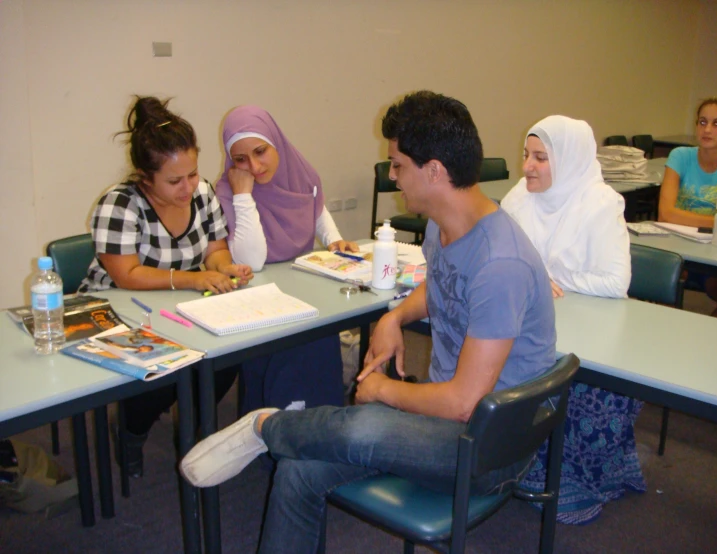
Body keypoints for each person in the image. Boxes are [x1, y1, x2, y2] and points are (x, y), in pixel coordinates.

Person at [180, 91, 556, 553]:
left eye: (398, 165)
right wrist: (396, 315)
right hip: (444, 423)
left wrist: (383, 392)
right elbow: (443, 288)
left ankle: (266, 427)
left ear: (434, 171)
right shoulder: (446, 223)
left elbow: (463, 403)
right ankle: (280, 430)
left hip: (487, 448)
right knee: (299, 471)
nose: (393, 177)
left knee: (363, 423)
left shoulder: (502, 263)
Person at [80, 96, 254, 477]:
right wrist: (193, 279)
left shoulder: (202, 193)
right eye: (175, 180)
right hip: (118, 309)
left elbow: (215, 250)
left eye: (193, 173)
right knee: (159, 365)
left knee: (230, 353)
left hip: (176, 306)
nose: (188, 186)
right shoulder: (119, 203)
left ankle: (190, 430)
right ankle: (131, 429)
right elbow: (127, 274)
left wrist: (227, 269)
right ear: (145, 178)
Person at [502, 115, 642, 524]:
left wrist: (549, 277)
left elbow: (617, 282)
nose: (527, 166)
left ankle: (571, 482)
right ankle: (513, 466)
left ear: (569, 160)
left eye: (541, 158)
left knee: (568, 379)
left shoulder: (600, 203)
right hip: (537, 321)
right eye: (527, 155)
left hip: (592, 333)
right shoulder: (519, 196)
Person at [214, 106, 357, 411]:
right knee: (281, 355)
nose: (254, 166)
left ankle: (321, 414)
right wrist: (243, 195)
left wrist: (334, 239)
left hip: (300, 281)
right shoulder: (228, 190)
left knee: (319, 336)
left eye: (260, 151)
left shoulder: (301, 172)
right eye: (240, 159)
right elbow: (251, 261)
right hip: (258, 294)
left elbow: (316, 209)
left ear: (275, 141)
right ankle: (276, 424)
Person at [658, 96, 717, 321]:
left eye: (716, 123)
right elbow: (666, 213)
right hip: (677, 249)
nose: (707, 130)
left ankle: (704, 347)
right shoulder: (680, 157)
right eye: (702, 122)